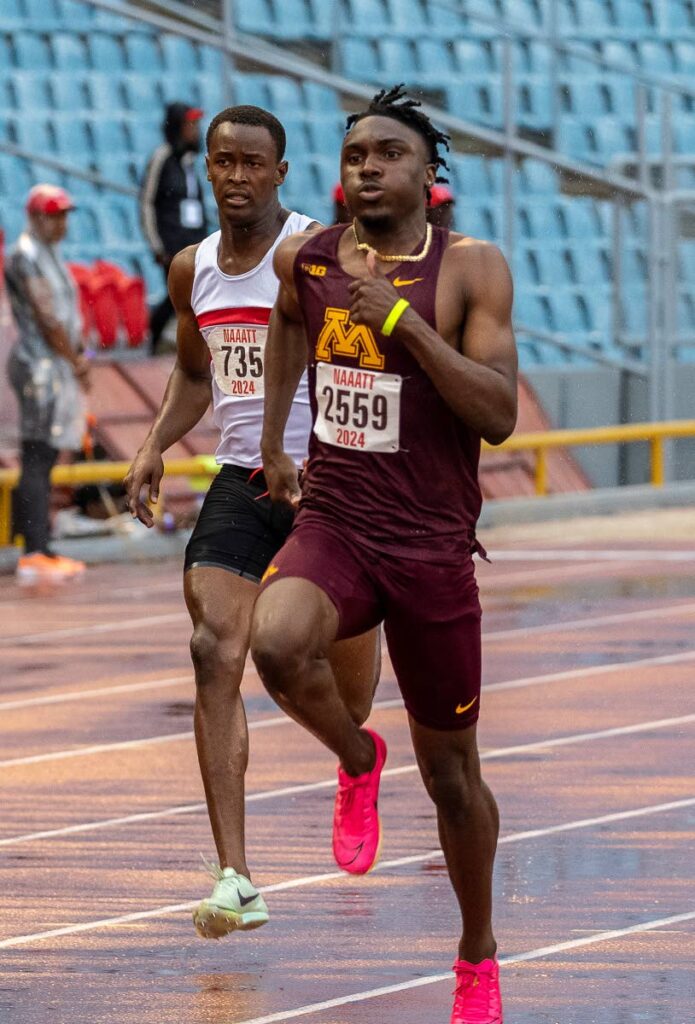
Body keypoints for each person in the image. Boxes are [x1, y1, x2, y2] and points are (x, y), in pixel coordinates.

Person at [250, 85, 517, 1024]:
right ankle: (357, 755)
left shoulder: (469, 270)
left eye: (387, 153)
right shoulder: (310, 255)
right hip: (340, 521)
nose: (366, 166)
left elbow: (497, 413)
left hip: (433, 548)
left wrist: (400, 325)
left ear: (425, 173)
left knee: (452, 779)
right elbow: (288, 318)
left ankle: (476, 954)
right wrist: (278, 441)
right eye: (355, 152)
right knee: (275, 643)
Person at [124, 105, 380, 940]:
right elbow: (196, 375)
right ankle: (236, 877)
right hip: (243, 480)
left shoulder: (314, 251)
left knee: (343, 690)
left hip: (335, 481)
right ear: (205, 169)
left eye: (250, 164)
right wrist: (154, 445)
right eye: (221, 162)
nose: (235, 176)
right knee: (213, 650)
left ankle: (356, 760)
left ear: (279, 173)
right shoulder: (188, 267)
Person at [5, 184, 90, 582]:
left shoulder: (48, 254)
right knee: (37, 456)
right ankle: (34, 549)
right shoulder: (25, 256)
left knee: (45, 456)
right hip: (39, 365)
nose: (62, 224)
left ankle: (41, 544)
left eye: (64, 216)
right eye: (55, 216)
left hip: (53, 363)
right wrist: (75, 361)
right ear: (37, 217)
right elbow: (45, 316)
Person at [140, 102, 208, 353]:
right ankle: (157, 340)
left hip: (195, 243)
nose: (194, 130)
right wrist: (157, 245)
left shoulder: (190, 162)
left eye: (196, 125)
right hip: (172, 245)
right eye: (189, 125)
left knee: (187, 298)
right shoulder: (162, 158)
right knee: (179, 298)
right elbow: (147, 202)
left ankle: (169, 344)